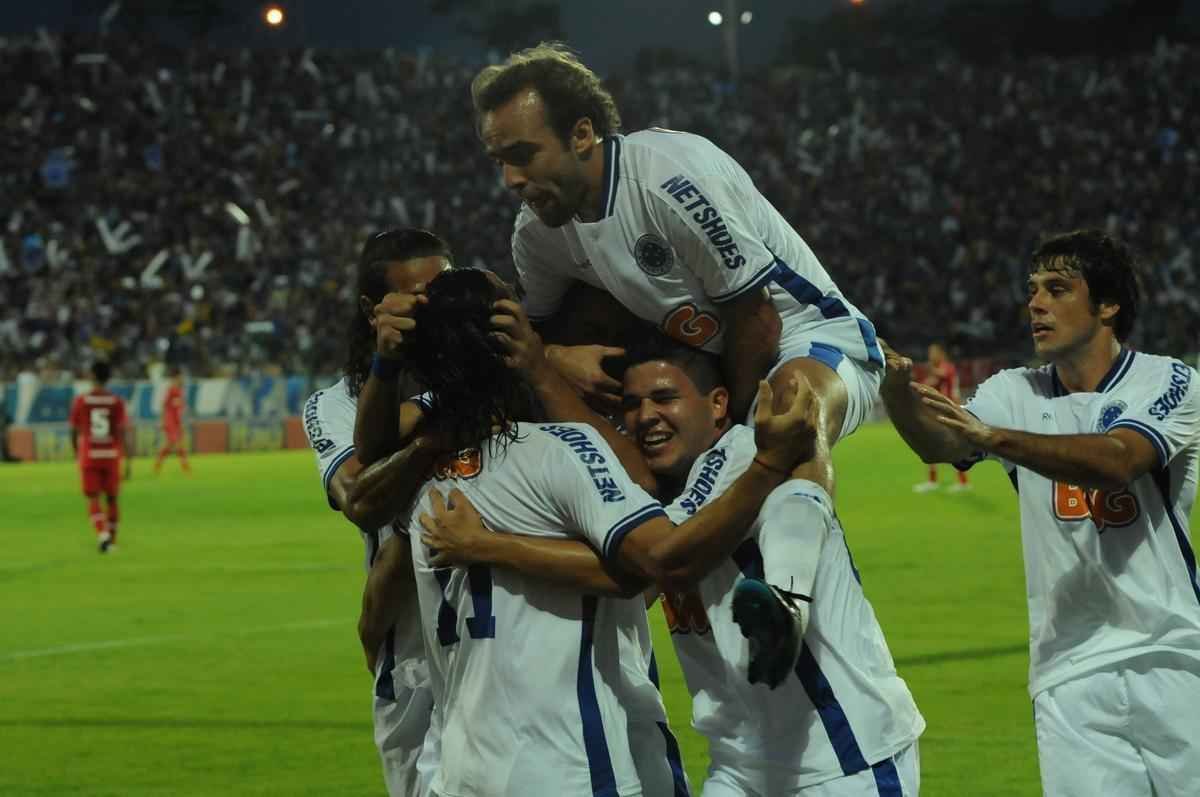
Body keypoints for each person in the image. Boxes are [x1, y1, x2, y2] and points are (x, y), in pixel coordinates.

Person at [471, 43, 884, 679]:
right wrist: (558, 357)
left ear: (582, 134)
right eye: (499, 161)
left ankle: (788, 599)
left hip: (810, 337)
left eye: (523, 155)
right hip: (712, 375)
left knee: (787, 416)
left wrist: (734, 432)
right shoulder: (538, 237)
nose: (511, 180)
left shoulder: (667, 174)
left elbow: (759, 319)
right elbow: (535, 348)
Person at [422, 313, 924, 796]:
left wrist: (485, 546)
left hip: (840, 754)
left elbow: (647, 567)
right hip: (741, 762)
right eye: (634, 404)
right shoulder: (661, 495)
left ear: (718, 404)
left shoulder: (742, 457)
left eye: (665, 398)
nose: (646, 418)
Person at [391, 268, 814, 797]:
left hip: (460, 770)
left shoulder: (412, 480)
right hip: (574, 766)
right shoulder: (562, 450)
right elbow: (653, 554)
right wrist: (771, 466)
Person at [880, 229, 1200, 797]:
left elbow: (1119, 460)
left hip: (1172, 660)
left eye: (1057, 288)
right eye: (1032, 290)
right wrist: (898, 392)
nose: (1035, 303)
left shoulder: (1168, 380)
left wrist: (993, 437)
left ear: (1108, 306)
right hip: (1067, 675)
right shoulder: (1014, 390)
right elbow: (941, 446)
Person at [302, 228, 454, 797]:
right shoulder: (335, 405)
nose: (432, 311)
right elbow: (359, 499)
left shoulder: (495, 380)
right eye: (416, 297)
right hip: (412, 659)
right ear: (373, 311)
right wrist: (435, 433)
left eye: (443, 292)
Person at [69, 361, 128, 553]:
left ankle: (102, 535)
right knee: (112, 499)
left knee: (93, 498)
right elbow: (121, 431)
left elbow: (73, 430)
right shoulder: (116, 401)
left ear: (91, 376)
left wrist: (76, 453)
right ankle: (112, 540)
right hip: (111, 455)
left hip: (90, 455)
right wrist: (127, 459)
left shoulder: (82, 400)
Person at [911, 344, 968, 493]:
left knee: (950, 445)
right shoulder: (941, 369)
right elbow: (931, 383)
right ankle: (934, 480)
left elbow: (939, 376)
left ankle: (961, 482)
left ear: (941, 353)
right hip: (940, 411)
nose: (931, 356)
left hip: (950, 410)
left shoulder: (947, 367)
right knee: (931, 443)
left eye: (933, 353)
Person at [153, 367, 191, 475]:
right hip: (170, 421)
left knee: (171, 445)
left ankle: (158, 464)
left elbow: (180, 407)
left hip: (177, 421)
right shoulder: (171, 389)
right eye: (181, 376)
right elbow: (164, 405)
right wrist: (162, 421)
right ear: (176, 377)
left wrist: (182, 420)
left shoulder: (180, 390)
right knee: (177, 444)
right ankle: (185, 467)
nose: (182, 378)